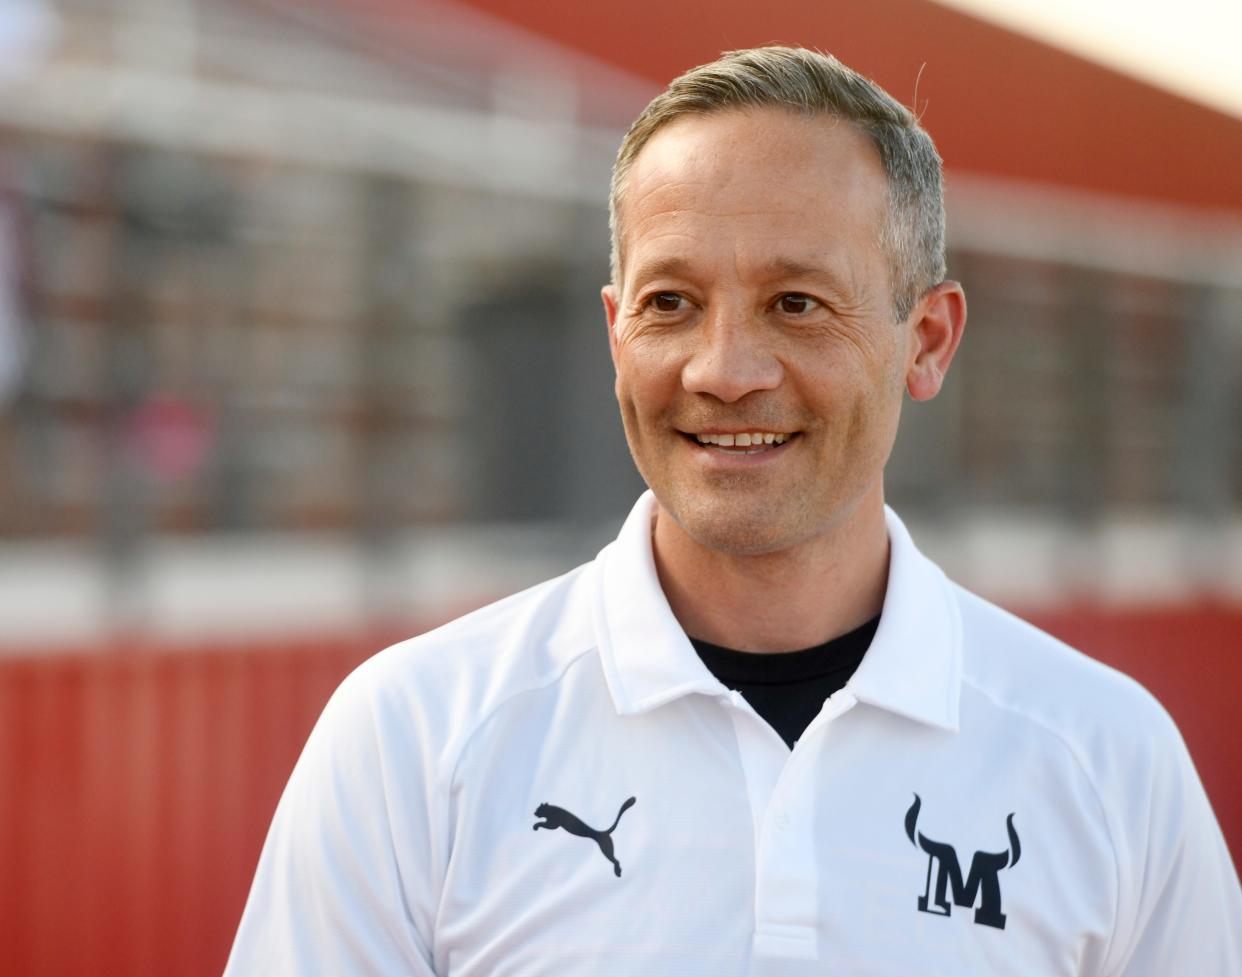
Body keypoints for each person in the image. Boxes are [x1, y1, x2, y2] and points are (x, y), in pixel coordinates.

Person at [224, 47, 1242, 976]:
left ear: (927, 339)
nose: (723, 372)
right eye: (671, 303)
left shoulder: (1106, 760)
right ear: (618, 333)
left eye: (796, 303)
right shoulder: (413, 740)